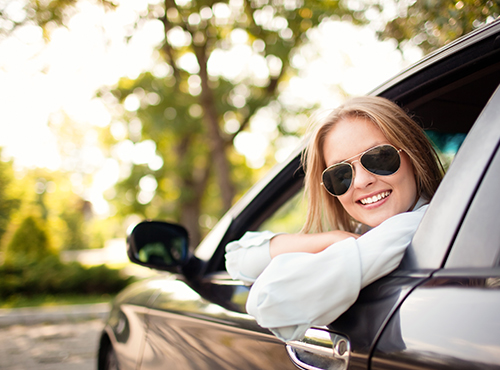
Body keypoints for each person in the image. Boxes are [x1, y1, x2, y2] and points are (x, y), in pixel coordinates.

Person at [225, 96, 444, 342]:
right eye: (340, 174)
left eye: (380, 157)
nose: (362, 181)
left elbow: (269, 302)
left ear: (413, 155)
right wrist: (333, 238)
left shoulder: (417, 225)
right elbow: (237, 258)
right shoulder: (367, 234)